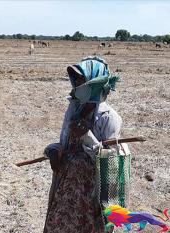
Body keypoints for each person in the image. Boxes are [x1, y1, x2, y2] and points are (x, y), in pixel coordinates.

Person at [43, 56, 123, 233]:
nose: (76, 84)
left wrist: (87, 136)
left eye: (82, 80)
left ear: (94, 84)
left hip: (91, 196)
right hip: (66, 192)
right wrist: (52, 151)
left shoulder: (109, 118)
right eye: (76, 79)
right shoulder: (74, 109)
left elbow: (112, 164)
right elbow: (64, 144)